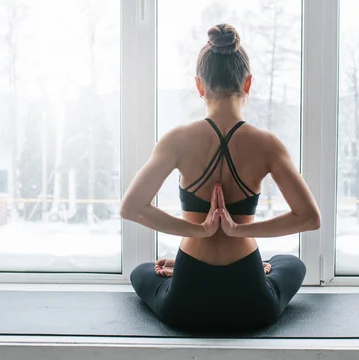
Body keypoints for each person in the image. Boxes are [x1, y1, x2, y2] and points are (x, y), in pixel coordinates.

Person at [120, 23, 321, 332]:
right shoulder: (267, 144)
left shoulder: (177, 139)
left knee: (143, 271)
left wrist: (198, 231)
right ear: (248, 83)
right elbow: (308, 218)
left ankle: (182, 269)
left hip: (185, 302)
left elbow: (131, 208)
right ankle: (262, 269)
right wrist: (238, 232)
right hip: (252, 302)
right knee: (291, 264)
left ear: (200, 85)